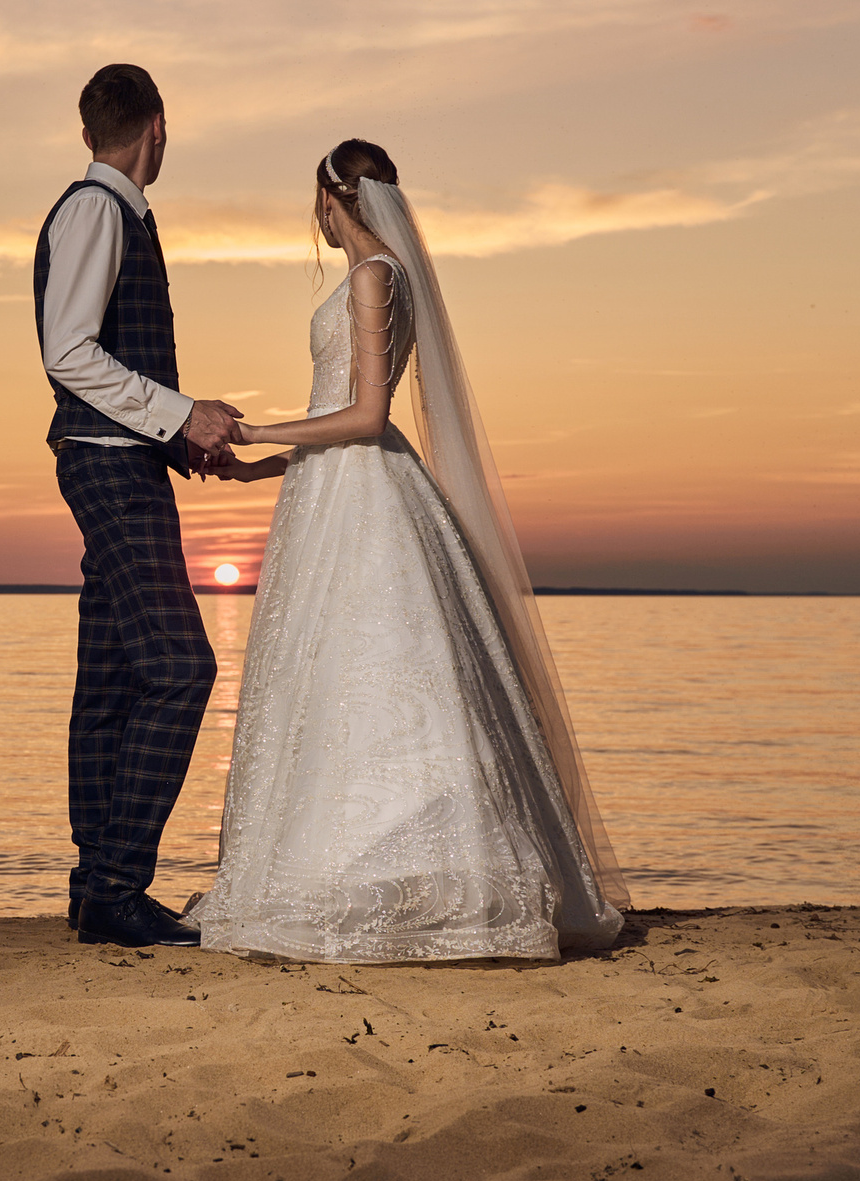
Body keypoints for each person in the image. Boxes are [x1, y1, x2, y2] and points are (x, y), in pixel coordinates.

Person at [190, 139, 628, 963]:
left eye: (316, 205)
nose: (316, 220)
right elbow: (345, 415)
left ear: (331, 199)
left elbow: (364, 416)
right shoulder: (387, 275)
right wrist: (256, 467)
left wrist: (255, 428)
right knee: (343, 677)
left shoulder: (373, 277)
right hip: (331, 490)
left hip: (364, 499)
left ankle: (399, 874)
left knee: (379, 671)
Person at [34, 64, 244, 950]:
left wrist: (178, 439)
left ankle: (96, 888)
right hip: (108, 466)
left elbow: (102, 355)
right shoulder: (96, 210)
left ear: (91, 129)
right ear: (157, 126)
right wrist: (179, 413)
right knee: (182, 668)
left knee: (113, 677)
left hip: (124, 461)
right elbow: (69, 352)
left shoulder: (116, 212)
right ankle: (118, 883)